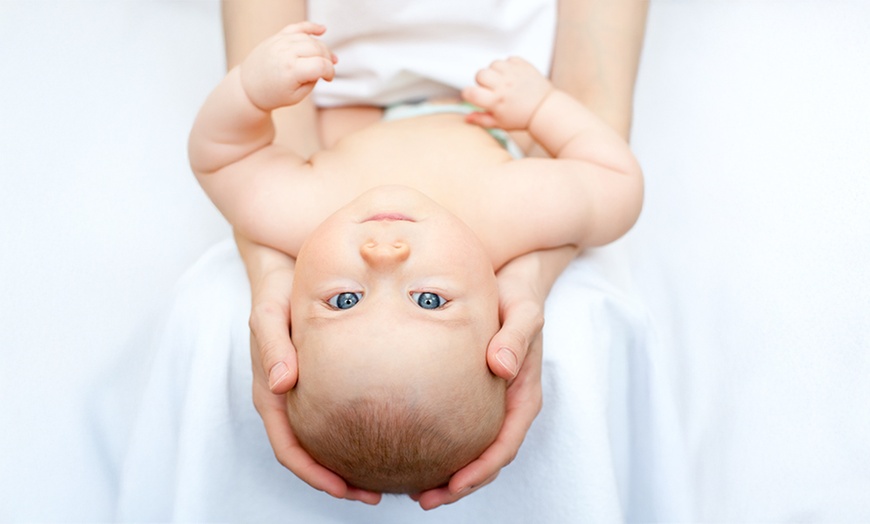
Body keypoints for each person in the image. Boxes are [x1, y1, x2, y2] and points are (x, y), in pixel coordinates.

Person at [221, 0, 648, 510]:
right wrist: (543, 110)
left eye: (345, 300)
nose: (385, 254)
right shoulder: (510, 211)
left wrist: (249, 91)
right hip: (492, 105)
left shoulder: (307, 211)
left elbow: (223, 156)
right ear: (497, 319)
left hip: (336, 103)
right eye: (428, 299)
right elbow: (616, 180)